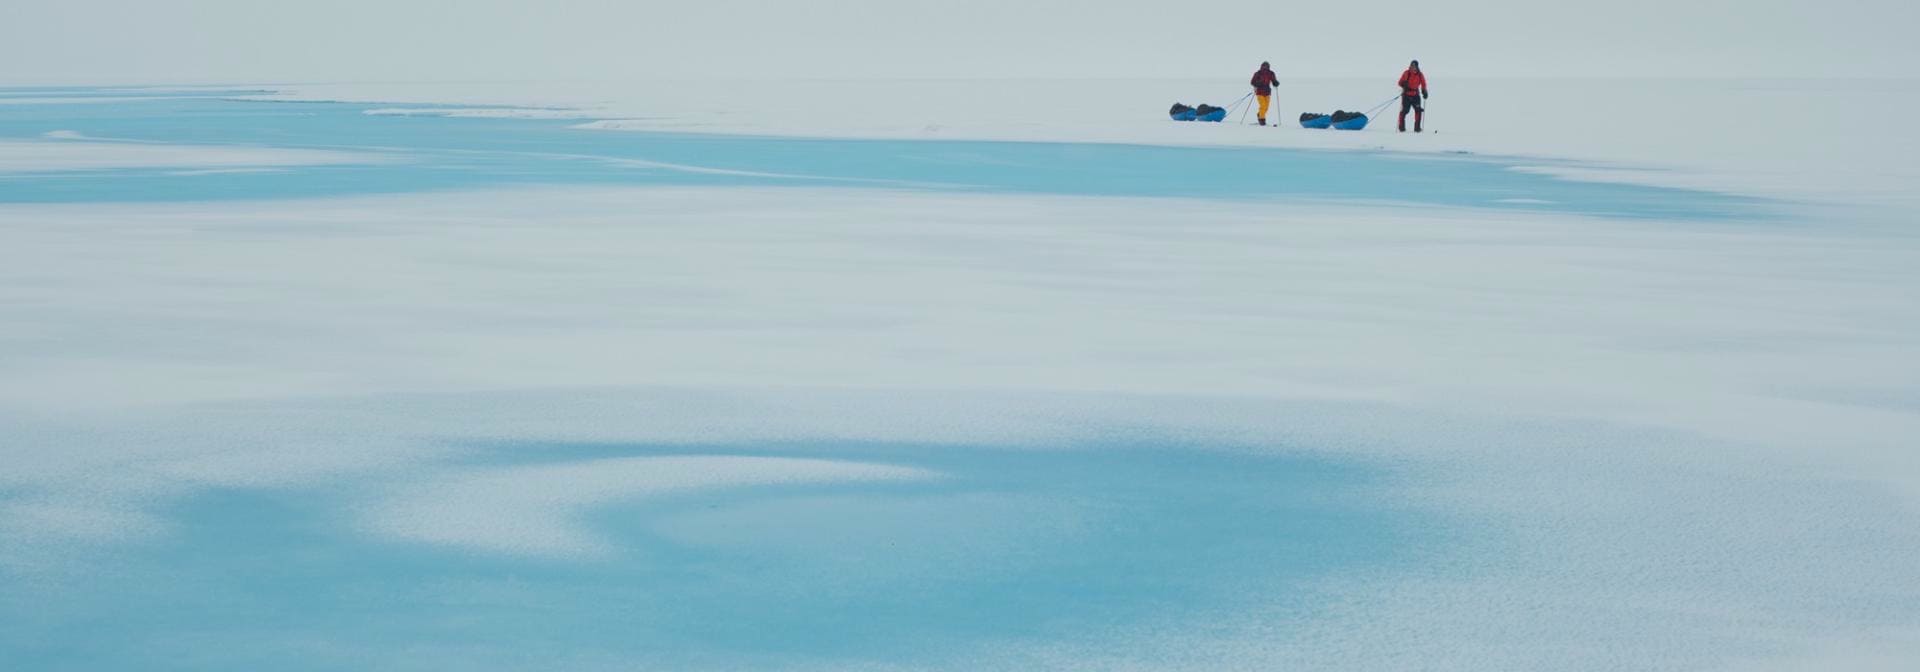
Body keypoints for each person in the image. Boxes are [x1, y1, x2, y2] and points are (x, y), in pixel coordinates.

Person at [1397, 60, 1429, 133]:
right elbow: (1399, 82)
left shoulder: (1420, 75)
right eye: (1412, 66)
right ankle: (1401, 128)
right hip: (1406, 95)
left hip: (1415, 95)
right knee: (1405, 111)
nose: (1413, 67)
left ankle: (1417, 128)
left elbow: (1423, 84)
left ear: (1417, 67)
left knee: (1418, 111)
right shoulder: (1406, 73)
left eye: (1414, 66)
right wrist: (1403, 84)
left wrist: (1424, 91)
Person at [1250, 62, 1280, 126]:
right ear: (1261, 66)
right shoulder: (1257, 73)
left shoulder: (1271, 73)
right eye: (1264, 66)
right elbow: (1252, 82)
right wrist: (1257, 83)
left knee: (1266, 107)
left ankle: (1260, 114)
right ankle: (1262, 120)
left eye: (1267, 66)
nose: (1265, 67)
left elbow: (1273, 80)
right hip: (1259, 92)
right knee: (1263, 106)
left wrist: (1276, 83)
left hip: (1267, 92)